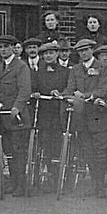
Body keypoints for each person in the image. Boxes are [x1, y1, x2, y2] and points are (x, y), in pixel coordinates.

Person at [59, 38, 107, 198]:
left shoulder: (102, 68)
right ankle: (94, 183)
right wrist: (62, 95)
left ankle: (101, 185)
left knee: (100, 152)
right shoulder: (75, 70)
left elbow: (102, 89)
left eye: (86, 50)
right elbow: (70, 87)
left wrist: (86, 96)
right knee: (88, 152)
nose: (83, 53)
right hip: (81, 116)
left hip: (98, 115)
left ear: (91, 50)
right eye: (80, 51)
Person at [0, 34, 33, 197]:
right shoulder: (0, 67)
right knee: (9, 151)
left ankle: (21, 185)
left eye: (6, 47)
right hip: (4, 115)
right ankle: (14, 182)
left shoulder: (21, 66)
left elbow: (25, 90)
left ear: (13, 48)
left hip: (17, 117)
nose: (3, 50)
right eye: (1, 47)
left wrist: (17, 107)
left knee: (19, 152)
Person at [30, 41, 69, 191]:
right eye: (46, 53)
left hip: (59, 112)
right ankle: (47, 172)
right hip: (44, 112)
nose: (48, 56)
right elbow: (33, 88)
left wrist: (60, 93)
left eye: (51, 53)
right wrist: (35, 93)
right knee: (45, 142)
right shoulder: (37, 72)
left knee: (58, 143)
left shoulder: (65, 72)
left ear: (57, 54)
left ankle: (58, 174)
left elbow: (68, 87)